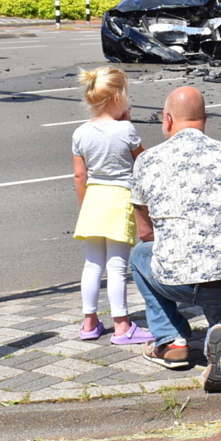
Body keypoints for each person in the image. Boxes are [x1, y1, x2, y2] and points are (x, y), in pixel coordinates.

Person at [129, 87, 221, 393]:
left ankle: (171, 342)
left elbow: (146, 233)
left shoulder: (147, 161)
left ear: (167, 120)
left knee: (139, 254)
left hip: (176, 277)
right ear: (205, 119)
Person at [72, 66, 154, 345]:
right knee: (117, 267)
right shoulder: (126, 130)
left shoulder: (81, 132)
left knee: (92, 265)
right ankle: (121, 326)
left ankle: (89, 323)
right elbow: (143, 162)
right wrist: (127, 122)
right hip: (120, 199)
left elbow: (80, 175)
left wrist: (84, 205)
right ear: (118, 97)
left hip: (93, 200)